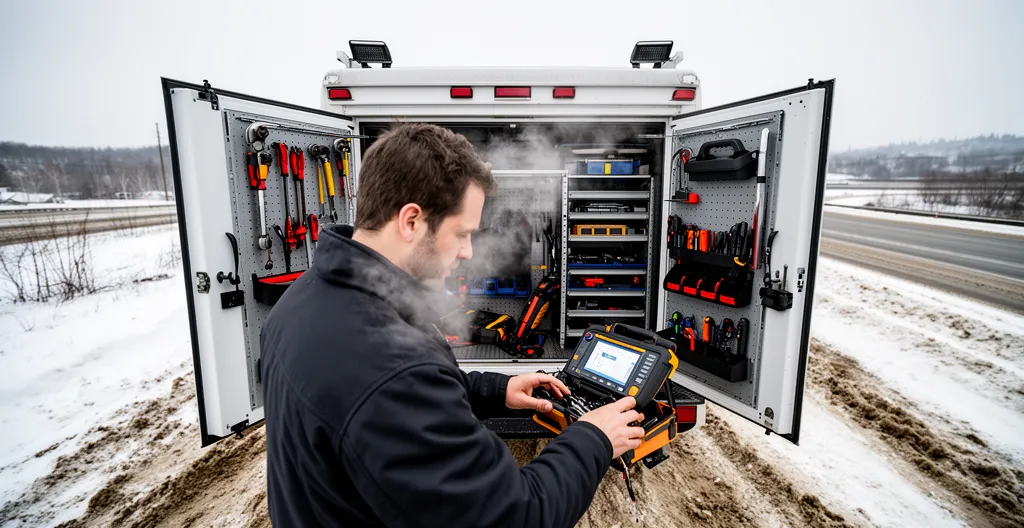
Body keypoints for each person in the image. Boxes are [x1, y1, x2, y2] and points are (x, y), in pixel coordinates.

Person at [260, 123, 645, 527]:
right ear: (411, 221)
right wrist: (594, 439)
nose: (468, 251)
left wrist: (494, 389)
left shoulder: (303, 299)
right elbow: (518, 517)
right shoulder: (392, 367)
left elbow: (379, 403)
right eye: (461, 233)